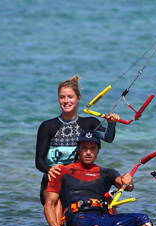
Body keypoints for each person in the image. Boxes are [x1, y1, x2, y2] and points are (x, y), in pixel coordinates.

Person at [44, 131, 156, 226]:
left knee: (142, 219)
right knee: (95, 225)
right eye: (84, 148)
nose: (88, 152)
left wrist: (127, 181)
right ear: (78, 150)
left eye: (92, 148)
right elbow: (49, 204)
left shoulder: (107, 173)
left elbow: (126, 186)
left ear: (98, 151)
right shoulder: (61, 171)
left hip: (104, 218)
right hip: (78, 219)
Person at [35, 76, 119, 204]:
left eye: (70, 97)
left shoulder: (89, 124)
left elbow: (108, 138)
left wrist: (111, 124)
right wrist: (49, 169)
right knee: (55, 203)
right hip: (53, 180)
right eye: (62, 97)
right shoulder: (47, 126)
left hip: (78, 181)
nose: (66, 101)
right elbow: (39, 160)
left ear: (78, 98)